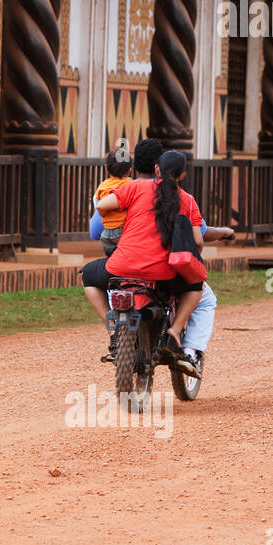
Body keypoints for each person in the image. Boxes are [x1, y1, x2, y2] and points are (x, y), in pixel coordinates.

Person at [88, 141, 234, 374]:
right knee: (202, 293)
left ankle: (113, 329)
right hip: (164, 271)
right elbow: (199, 239)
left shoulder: (129, 189)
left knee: (88, 276)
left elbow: (98, 223)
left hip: (121, 266)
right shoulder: (186, 199)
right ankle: (182, 341)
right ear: (182, 174)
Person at [93, 149, 133, 256]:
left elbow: (98, 206)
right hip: (123, 231)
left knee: (110, 259)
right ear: (129, 170)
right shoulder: (130, 185)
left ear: (106, 169)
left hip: (106, 232)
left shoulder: (102, 186)